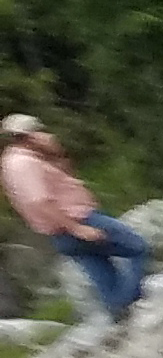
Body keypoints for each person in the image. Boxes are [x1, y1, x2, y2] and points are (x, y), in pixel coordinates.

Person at [3, 114, 151, 328]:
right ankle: (128, 302)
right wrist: (78, 228)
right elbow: (40, 201)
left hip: (61, 232)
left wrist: (56, 153)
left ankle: (120, 316)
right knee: (137, 247)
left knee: (103, 272)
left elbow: (63, 176)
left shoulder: (23, 161)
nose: (45, 134)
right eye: (39, 130)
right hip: (78, 220)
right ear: (28, 136)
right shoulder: (23, 164)